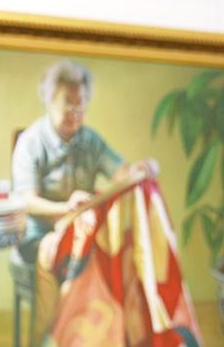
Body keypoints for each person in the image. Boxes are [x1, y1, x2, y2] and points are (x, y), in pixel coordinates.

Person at [11, 59, 158, 261]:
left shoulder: (91, 141)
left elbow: (121, 174)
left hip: (81, 233)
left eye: (81, 102)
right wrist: (66, 209)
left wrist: (139, 170)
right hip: (38, 236)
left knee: (120, 253)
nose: (76, 110)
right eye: (68, 101)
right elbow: (27, 201)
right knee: (69, 258)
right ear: (50, 99)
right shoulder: (30, 142)